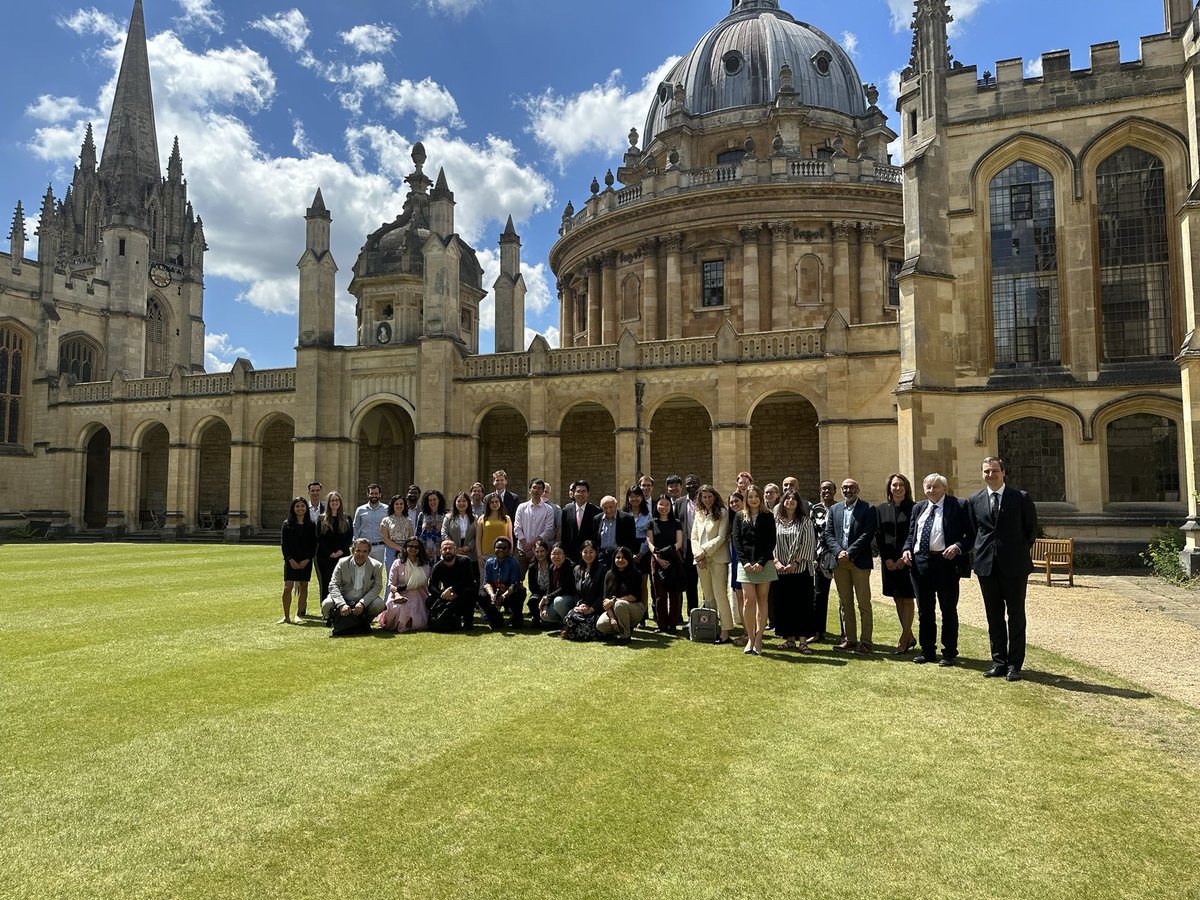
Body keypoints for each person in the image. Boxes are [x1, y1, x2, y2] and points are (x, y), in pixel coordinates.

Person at [968, 456, 1038, 682]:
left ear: (1004, 472)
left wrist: (1015, 551)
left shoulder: (1020, 497)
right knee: (993, 616)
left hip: (1014, 566)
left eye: (994, 470)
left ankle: (1014, 665)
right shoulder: (975, 500)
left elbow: (1031, 530)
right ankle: (998, 662)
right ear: (982, 474)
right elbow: (975, 531)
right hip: (986, 566)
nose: (991, 475)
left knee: (1016, 616)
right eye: (986, 471)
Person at [902, 473, 973, 667]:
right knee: (925, 610)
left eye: (935, 486)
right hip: (920, 564)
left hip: (946, 563)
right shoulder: (918, 508)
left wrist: (957, 546)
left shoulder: (958, 505)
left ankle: (949, 653)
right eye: (928, 486)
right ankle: (927, 651)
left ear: (944, 488)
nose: (931, 490)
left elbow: (971, 535)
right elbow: (911, 534)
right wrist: (907, 549)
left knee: (948, 609)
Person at [823, 478, 877, 653]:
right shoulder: (835, 509)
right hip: (839, 563)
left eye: (852, 487)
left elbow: (868, 534)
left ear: (858, 490)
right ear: (841, 490)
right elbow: (828, 533)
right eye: (845, 488)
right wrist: (839, 552)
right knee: (845, 603)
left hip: (859, 562)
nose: (848, 490)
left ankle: (866, 641)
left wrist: (849, 553)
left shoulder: (868, 508)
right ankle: (850, 639)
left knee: (864, 603)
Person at [732, 484, 777, 655]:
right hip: (745, 565)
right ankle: (750, 638)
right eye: (750, 497)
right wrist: (744, 562)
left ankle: (759, 639)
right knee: (748, 601)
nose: (753, 499)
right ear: (746, 499)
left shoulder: (768, 516)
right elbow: (737, 541)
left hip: (764, 564)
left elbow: (771, 541)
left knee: (762, 600)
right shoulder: (739, 516)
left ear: (760, 498)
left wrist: (761, 562)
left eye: (756, 496)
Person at [771, 489, 817, 652]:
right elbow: (771, 542)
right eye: (787, 499)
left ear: (798, 503)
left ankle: (803, 642)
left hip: (800, 571)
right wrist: (776, 562)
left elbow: (808, 543)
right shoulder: (776, 521)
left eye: (793, 499)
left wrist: (795, 562)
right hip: (780, 571)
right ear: (782, 502)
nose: (790, 501)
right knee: (784, 605)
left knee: (801, 605)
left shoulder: (805, 521)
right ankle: (789, 639)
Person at [876, 473, 918, 654]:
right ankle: (910, 637)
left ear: (906, 487)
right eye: (894, 485)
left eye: (901, 485)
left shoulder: (915, 508)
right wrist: (887, 558)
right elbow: (879, 536)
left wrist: (903, 559)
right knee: (897, 598)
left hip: (908, 560)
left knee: (908, 598)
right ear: (889, 488)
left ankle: (903, 638)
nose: (898, 488)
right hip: (889, 561)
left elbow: (915, 534)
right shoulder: (880, 509)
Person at [692, 484, 732, 643]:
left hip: (717, 559)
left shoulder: (722, 513)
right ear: (700, 498)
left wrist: (703, 552)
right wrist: (698, 556)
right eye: (704, 497)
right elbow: (694, 537)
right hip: (701, 561)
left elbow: (721, 537)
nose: (707, 499)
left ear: (715, 497)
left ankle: (726, 631)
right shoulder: (699, 513)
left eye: (710, 496)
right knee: (708, 596)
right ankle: (711, 627)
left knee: (720, 594)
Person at [428, 538, 493, 630]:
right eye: (445, 549)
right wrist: (442, 595)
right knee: (429, 600)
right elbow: (432, 586)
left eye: (450, 548)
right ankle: (442, 620)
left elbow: (468, 581)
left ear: (455, 550)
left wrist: (452, 589)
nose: (448, 551)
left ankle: (468, 621)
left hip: (463, 593)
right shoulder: (437, 567)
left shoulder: (464, 561)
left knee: (470, 592)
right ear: (441, 551)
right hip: (447, 597)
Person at [322, 537, 386, 626]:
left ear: (369, 552)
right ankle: (333, 619)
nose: (361, 554)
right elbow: (333, 585)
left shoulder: (376, 566)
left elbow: (377, 587)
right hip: (344, 597)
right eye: (358, 550)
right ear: (352, 551)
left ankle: (365, 622)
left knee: (379, 604)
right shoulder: (342, 563)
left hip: (363, 599)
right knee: (326, 604)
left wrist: (363, 603)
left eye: (365, 551)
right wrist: (341, 604)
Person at [647, 494, 685, 634]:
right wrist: (658, 558)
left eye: (667, 504)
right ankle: (662, 624)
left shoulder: (676, 523)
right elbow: (650, 542)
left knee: (674, 595)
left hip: (674, 559)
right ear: (656, 506)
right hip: (657, 560)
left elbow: (679, 542)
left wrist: (668, 553)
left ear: (670, 506)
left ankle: (673, 624)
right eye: (661, 504)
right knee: (660, 596)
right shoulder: (652, 523)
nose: (664, 507)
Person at [280, 496, 317, 623]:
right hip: (291, 560)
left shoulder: (311, 525)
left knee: (303, 586)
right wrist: (290, 559)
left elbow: (313, 544)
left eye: (302, 506)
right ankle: (286, 616)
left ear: (306, 508)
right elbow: (284, 544)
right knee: (287, 587)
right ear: (293, 508)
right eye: (297, 506)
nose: (300, 508)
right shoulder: (287, 524)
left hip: (305, 560)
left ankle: (298, 614)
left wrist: (307, 559)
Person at [380, 538, 430, 632]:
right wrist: (397, 595)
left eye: (416, 547)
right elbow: (391, 583)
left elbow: (418, 583)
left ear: (420, 549)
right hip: (399, 594)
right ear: (406, 547)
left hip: (419, 594)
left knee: (414, 608)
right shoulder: (397, 563)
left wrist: (399, 588)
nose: (413, 549)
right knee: (399, 607)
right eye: (410, 546)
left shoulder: (424, 565)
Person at [596, 546, 645, 643]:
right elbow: (605, 601)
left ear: (629, 559)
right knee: (601, 625)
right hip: (615, 609)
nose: (620, 560)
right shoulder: (609, 574)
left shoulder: (635, 574)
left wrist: (614, 601)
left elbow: (633, 597)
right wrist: (612, 618)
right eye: (617, 557)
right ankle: (621, 628)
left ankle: (625, 637)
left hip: (635, 608)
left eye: (624, 557)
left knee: (620, 604)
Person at [810, 480, 837, 643]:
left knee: (844, 597)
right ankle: (818, 631)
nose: (826, 491)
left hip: (838, 556)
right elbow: (811, 533)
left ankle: (847, 635)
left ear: (835, 491)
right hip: (820, 558)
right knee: (819, 595)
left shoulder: (840, 508)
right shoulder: (815, 509)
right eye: (823, 489)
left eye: (829, 489)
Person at [564, 540, 606, 641]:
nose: (588, 555)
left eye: (591, 552)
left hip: (597, 608)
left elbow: (603, 594)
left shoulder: (602, 569)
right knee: (570, 617)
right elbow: (576, 592)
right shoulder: (577, 569)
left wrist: (591, 608)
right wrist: (581, 604)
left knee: (589, 622)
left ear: (596, 553)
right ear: (581, 553)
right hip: (583, 606)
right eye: (585, 552)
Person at [482, 537, 527, 629]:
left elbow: (514, 585)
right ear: (494, 549)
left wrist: (503, 597)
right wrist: (491, 595)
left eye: (504, 548)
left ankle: (516, 616)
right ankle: (497, 618)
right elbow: (486, 583)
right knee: (482, 595)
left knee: (520, 592)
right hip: (495, 594)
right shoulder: (489, 563)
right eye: (498, 547)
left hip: (510, 595)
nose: (501, 550)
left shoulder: (514, 563)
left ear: (509, 550)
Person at [316, 491, 353, 601]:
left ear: (340, 502)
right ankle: (326, 607)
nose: (334, 502)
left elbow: (349, 537)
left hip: (343, 556)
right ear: (328, 503)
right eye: (332, 500)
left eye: (337, 500)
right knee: (326, 582)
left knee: (343, 582)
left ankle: (342, 606)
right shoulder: (321, 518)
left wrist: (341, 551)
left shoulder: (347, 518)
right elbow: (319, 538)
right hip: (325, 557)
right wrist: (330, 553)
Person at [514, 478, 557, 573]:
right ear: (530, 490)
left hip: (540, 552)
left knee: (539, 579)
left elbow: (548, 530)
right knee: (519, 578)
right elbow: (517, 528)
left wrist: (531, 545)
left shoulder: (548, 509)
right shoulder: (522, 507)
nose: (536, 490)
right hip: (522, 550)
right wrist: (525, 547)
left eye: (539, 488)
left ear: (542, 491)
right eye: (534, 488)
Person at [533, 541, 577, 626]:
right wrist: (546, 605)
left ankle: (568, 624)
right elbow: (550, 587)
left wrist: (547, 598)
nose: (556, 556)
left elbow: (564, 588)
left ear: (564, 554)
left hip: (569, 598)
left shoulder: (571, 567)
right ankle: (563, 621)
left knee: (558, 601)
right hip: (557, 597)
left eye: (559, 553)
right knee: (544, 616)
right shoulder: (551, 567)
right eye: (553, 554)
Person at [560, 480, 601, 563]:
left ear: (588, 493)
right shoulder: (566, 511)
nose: (581, 494)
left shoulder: (596, 511)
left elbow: (597, 535)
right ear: (573, 493)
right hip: (571, 555)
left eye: (583, 491)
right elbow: (564, 534)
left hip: (589, 554)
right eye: (578, 491)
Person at [477, 492, 513, 582]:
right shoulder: (482, 518)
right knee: (485, 580)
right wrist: (479, 555)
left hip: (503, 554)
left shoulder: (507, 519)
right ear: (488, 504)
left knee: (502, 581)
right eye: (492, 502)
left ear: (500, 503)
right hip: (486, 555)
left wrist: (510, 552)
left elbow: (509, 536)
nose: (494, 504)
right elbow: (478, 538)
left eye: (496, 502)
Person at [590, 495, 637, 565]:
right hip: (602, 556)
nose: (608, 510)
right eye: (605, 508)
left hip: (620, 556)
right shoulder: (597, 519)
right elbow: (595, 539)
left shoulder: (627, 518)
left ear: (616, 505)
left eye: (611, 507)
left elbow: (632, 539)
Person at [380, 494, 416, 576]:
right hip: (391, 550)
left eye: (401, 504)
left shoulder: (408, 521)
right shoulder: (386, 520)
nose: (399, 506)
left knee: (405, 575)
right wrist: (400, 549)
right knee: (391, 575)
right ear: (392, 505)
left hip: (406, 550)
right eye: (396, 504)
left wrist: (405, 550)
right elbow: (386, 539)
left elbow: (411, 538)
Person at [727, 491, 747, 643]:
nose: (734, 504)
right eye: (731, 502)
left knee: (750, 597)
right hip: (735, 560)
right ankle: (747, 631)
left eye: (736, 501)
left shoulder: (749, 518)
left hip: (748, 560)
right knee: (739, 595)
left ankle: (753, 632)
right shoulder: (731, 520)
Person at [353, 483, 388, 564]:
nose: (374, 495)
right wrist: (355, 543)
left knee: (378, 570)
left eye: (376, 493)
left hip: (380, 547)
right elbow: (355, 527)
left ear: (380, 494)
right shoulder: (360, 510)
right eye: (371, 493)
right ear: (368, 494)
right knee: (362, 569)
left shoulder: (386, 509)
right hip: (363, 547)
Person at [442, 490, 478, 567]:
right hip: (453, 552)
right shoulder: (448, 518)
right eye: (459, 501)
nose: (461, 503)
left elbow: (477, 535)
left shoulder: (475, 518)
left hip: (470, 553)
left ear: (468, 503)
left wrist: (469, 547)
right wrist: (454, 547)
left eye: (464, 501)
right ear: (455, 503)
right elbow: (444, 533)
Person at [415, 489, 447, 560]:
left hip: (440, 551)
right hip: (425, 551)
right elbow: (417, 534)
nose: (432, 502)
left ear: (439, 500)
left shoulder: (446, 515)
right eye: (430, 500)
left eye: (434, 499)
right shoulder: (422, 515)